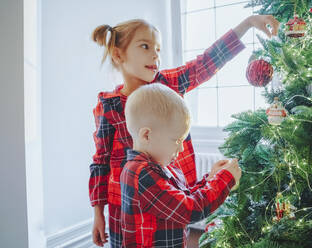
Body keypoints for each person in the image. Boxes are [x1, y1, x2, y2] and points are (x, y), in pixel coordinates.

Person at [89, 15, 279, 247]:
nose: (155, 55)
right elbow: (101, 161)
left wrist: (247, 24)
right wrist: (98, 213)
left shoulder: (168, 85)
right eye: (145, 46)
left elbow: (205, 63)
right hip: (125, 211)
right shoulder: (108, 107)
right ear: (118, 54)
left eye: (158, 48)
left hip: (173, 195)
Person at [121, 83, 241, 247]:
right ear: (147, 135)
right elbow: (189, 209)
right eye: (176, 140)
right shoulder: (140, 173)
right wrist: (225, 179)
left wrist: (210, 178)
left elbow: (183, 196)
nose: (182, 147)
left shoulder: (161, 165)